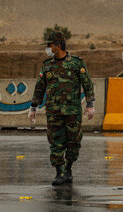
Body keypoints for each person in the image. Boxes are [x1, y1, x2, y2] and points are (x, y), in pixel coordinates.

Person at [28, 31, 95, 186]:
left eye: (49, 45)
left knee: (74, 142)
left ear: (58, 46)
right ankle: (59, 173)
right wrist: (33, 107)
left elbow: (87, 85)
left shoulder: (77, 63)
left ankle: (68, 169)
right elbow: (40, 88)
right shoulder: (47, 65)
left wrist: (90, 105)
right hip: (53, 112)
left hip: (73, 112)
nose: (47, 48)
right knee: (55, 142)